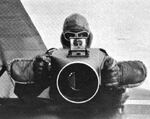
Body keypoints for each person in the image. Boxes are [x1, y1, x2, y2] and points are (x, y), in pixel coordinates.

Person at [2, 13, 147, 107]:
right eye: (71, 35)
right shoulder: (52, 57)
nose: (77, 40)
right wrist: (40, 77)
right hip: (58, 110)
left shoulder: (100, 57)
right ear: (64, 37)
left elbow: (117, 100)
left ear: (88, 37)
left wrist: (112, 84)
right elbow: (24, 95)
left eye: (81, 35)